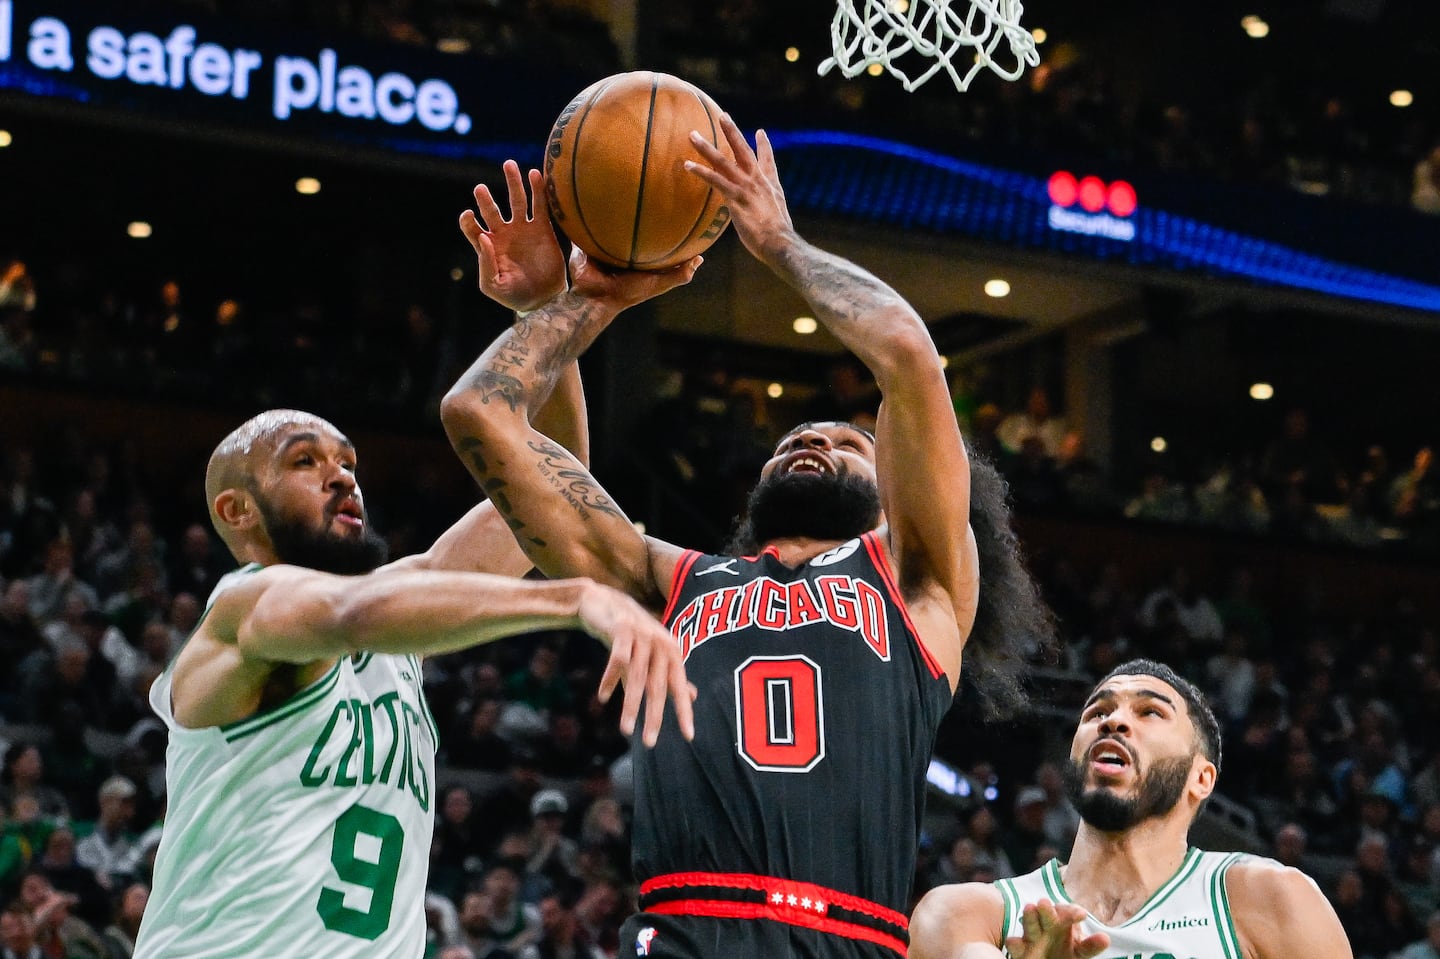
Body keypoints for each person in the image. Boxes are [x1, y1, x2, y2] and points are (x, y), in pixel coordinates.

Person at [442, 127, 1052, 958]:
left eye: (845, 441)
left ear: (892, 492)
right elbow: (479, 413)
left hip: (847, 937)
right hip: (680, 932)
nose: (812, 440)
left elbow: (907, 355)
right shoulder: (668, 579)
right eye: (793, 439)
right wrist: (577, 302)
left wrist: (778, 243)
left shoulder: (917, 580)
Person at [130, 230, 695, 959]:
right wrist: (573, 598)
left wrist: (555, 307)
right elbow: (345, 612)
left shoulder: (400, 606)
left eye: (347, 461)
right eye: (305, 462)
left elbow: (551, 494)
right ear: (238, 511)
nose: (342, 476)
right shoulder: (243, 610)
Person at [909, 659, 1352, 959]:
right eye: (1096, 711)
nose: (1113, 720)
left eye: (1150, 713)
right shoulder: (970, 913)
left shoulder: (1272, 900)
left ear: (1202, 778)